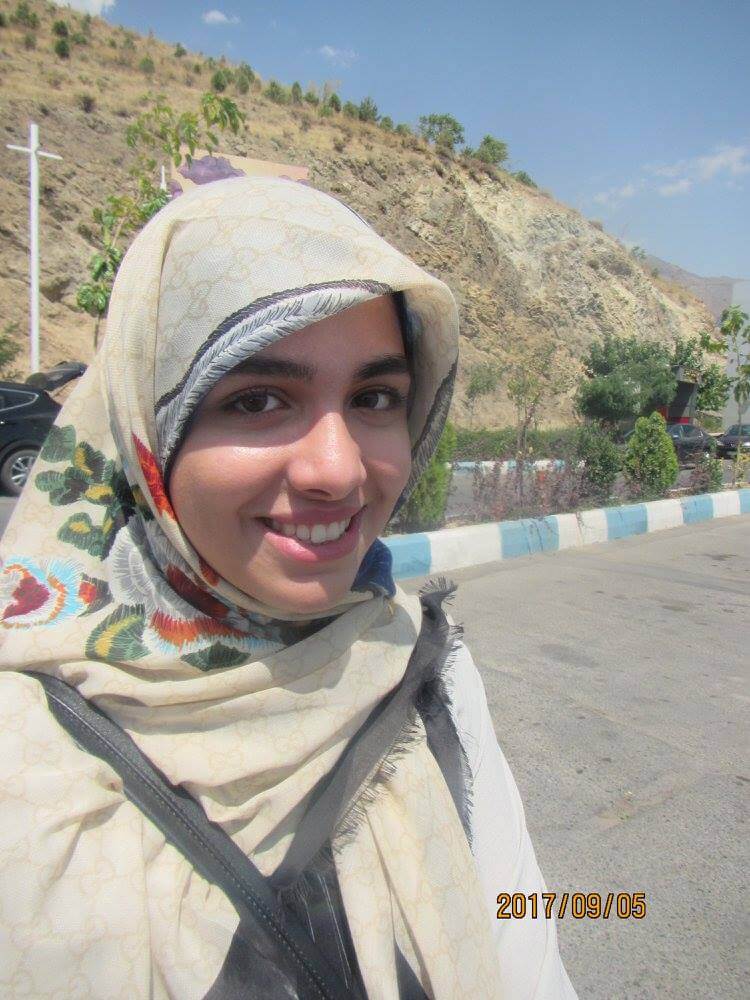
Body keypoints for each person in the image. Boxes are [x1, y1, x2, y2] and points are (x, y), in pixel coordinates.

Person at [0, 177, 576, 999]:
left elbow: (521, 947)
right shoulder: (26, 732)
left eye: (375, 398)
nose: (337, 470)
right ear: (149, 430)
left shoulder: (422, 667)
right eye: (259, 400)